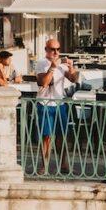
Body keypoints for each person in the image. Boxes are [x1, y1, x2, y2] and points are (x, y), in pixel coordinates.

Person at [35, 40, 78, 169]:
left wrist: (71, 66)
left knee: (62, 135)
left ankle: (63, 164)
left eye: (58, 49)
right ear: (46, 49)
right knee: (46, 136)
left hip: (59, 102)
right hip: (45, 102)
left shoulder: (61, 65)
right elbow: (44, 82)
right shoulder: (42, 63)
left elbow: (73, 79)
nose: (56, 52)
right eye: (53, 49)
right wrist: (52, 67)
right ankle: (45, 164)